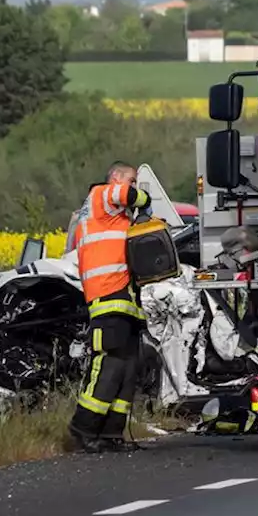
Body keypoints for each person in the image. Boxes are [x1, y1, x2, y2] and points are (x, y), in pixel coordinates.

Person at [67, 161, 153, 453]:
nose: (133, 186)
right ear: (115, 178)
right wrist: (145, 198)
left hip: (124, 300)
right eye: (130, 180)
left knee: (129, 367)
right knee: (110, 364)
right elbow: (130, 197)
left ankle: (112, 433)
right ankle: (83, 428)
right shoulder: (99, 197)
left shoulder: (115, 219)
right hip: (106, 297)